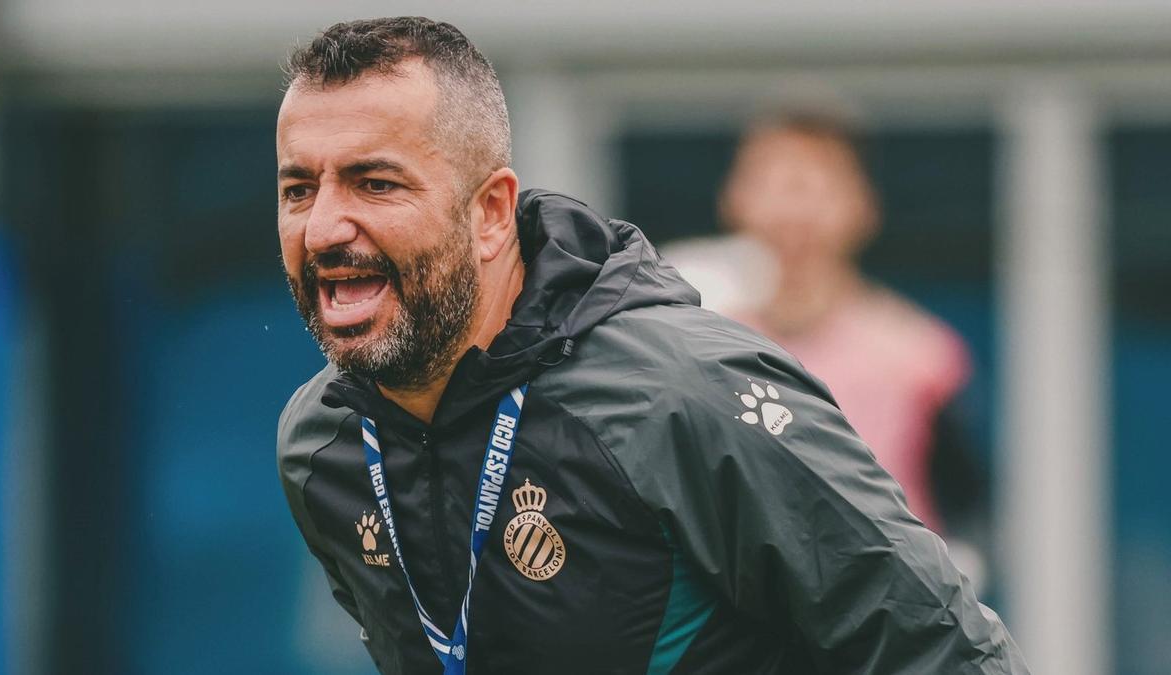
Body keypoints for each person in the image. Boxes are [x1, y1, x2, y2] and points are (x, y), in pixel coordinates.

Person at [276, 17, 1028, 675]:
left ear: (492, 214)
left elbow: (944, 647)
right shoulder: (321, 447)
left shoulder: (683, 393)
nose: (322, 227)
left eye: (375, 183)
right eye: (298, 189)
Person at [718, 112, 989, 558]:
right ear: (735, 198)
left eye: (815, 184)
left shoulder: (920, 359)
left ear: (863, 205)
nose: (794, 210)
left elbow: (968, 514)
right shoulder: (707, 352)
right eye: (774, 182)